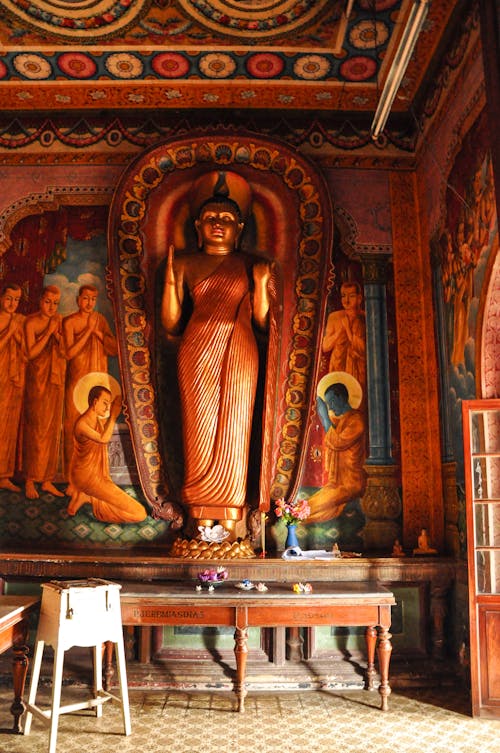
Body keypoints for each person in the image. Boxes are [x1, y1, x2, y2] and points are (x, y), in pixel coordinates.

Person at [160, 170, 274, 535]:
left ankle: (229, 515)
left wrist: (259, 283)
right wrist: (171, 279)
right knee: (199, 429)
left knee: (235, 428)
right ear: (197, 224)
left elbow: (261, 323)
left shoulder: (249, 264)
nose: (219, 223)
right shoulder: (185, 263)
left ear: (240, 226)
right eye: (211, 218)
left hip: (241, 350)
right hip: (195, 351)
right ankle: (199, 513)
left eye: (227, 218)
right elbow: (172, 324)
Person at [67, 381, 147, 523]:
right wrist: (114, 415)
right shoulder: (82, 424)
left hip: (96, 476)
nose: (108, 407)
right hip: (86, 477)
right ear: (95, 401)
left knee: (139, 512)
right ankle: (90, 499)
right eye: (105, 403)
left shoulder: (96, 420)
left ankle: (86, 497)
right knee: (139, 514)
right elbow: (103, 439)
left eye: (109, 403)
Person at [62, 284, 117, 474]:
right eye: (85, 298)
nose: (89, 303)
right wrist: (88, 332)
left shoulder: (100, 321)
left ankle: (93, 474)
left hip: (96, 379)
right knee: (72, 423)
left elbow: (113, 348)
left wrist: (97, 333)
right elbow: (69, 353)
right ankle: (72, 476)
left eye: (93, 299)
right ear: (78, 299)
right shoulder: (69, 322)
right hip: (77, 379)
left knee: (97, 423)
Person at [23, 285, 66, 499]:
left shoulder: (58, 320)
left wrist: (57, 336)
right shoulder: (31, 322)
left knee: (51, 430)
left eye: (55, 303)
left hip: (54, 381)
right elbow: (30, 353)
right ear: (40, 300)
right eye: (48, 302)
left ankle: (47, 480)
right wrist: (49, 332)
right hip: (36, 382)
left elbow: (66, 351)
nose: (51, 307)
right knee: (35, 430)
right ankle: (30, 480)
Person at [306, 375, 366, 524]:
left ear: (341, 398)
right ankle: (293, 517)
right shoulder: (340, 421)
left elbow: (337, 441)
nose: (331, 407)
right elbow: (332, 430)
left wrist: (325, 416)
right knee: (315, 511)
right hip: (335, 484)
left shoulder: (357, 420)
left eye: (331, 402)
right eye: (328, 404)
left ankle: (292, 517)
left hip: (350, 484)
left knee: (308, 509)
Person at [0, 284, 27, 492]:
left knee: (8, 426)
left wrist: (16, 332)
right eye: (9, 298)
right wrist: (9, 331)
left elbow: (25, 350)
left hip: (13, 378)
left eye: (16, 300)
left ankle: (4, 476)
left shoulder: (20, 321)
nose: (12, 304)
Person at [322, 281, 366, 391]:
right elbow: (325, 346)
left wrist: (348, 331)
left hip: (358, 369)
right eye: (343, 296)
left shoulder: (365, 317)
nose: (346, 301)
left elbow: (364, 349)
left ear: (359, 298)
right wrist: (340, 331)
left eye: (351, 296)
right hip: (337, 366)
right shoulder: (334, 317)